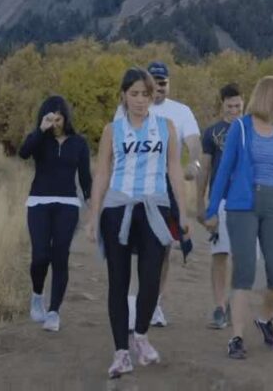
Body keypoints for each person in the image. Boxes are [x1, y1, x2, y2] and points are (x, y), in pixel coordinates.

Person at [87, 68, 188, 379]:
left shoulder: (166, 127)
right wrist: (93, 217)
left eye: (146, 94)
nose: (141, 100)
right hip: (118, 208)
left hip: (155, 208)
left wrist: (182, 213)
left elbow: (174, 171)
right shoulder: (111, 131)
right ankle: (121, 353)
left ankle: (140, 335)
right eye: (134, 94)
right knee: (118, 282)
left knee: (150, 278)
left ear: (153, 96)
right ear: (124, 96)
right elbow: (102, 174)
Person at [205, 76, 273, 360]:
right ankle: (236, 337)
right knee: (244, 270)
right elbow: (223, 170)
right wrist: (212, 210)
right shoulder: (241, 128)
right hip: (241, 204)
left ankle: (263, 317)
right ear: (270, 96)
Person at [113, 61, 201, 327]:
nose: (158, 87)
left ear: (168, 84)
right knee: (128, 245)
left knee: (162, 247)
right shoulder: (127, 109)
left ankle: (153, 303)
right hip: (133, 185)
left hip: (165, 185)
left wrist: (193, 163)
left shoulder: (181, 112)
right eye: (154, 82)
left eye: (163, 82)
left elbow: (195, 144)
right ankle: (132, 302)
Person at [17, 95, 93, 333]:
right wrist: (41, 130)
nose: (55, 123)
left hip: (68, 204)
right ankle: (37, 296)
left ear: (65, 118)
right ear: (44, 118)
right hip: (39, 202)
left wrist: (93, 206)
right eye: (51, 119)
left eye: (58, 119)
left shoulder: (79, 143)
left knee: (60, 255)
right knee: (40, 255)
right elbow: (23, 153)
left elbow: (85, 178)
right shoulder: (39, 140)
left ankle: (53, 311)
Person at [197, 83, 244, 330]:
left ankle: (232, 302)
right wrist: (200, 202)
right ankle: (218, 306)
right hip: (221, 200)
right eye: (230, 106)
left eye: (238, 105)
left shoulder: (251, 129)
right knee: (219, 255)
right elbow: (205, 168)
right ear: (222, 105)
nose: (234, 110)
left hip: (245, 202)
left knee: (242, 257)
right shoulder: (212, 132)